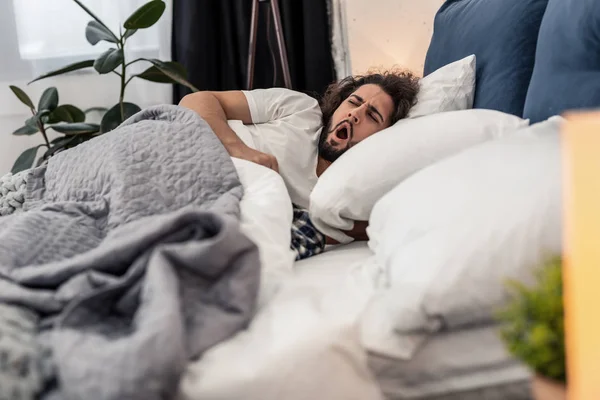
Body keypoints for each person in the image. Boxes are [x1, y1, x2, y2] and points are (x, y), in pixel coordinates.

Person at [179, 70, 419, 259]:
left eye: (373, 116)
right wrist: (239, 150)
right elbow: (196, 100)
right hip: (183, 150)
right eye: (353, 102)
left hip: (209, 204)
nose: (355, 114)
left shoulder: (348, 197)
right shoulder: (302, 110)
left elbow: (382, 225)